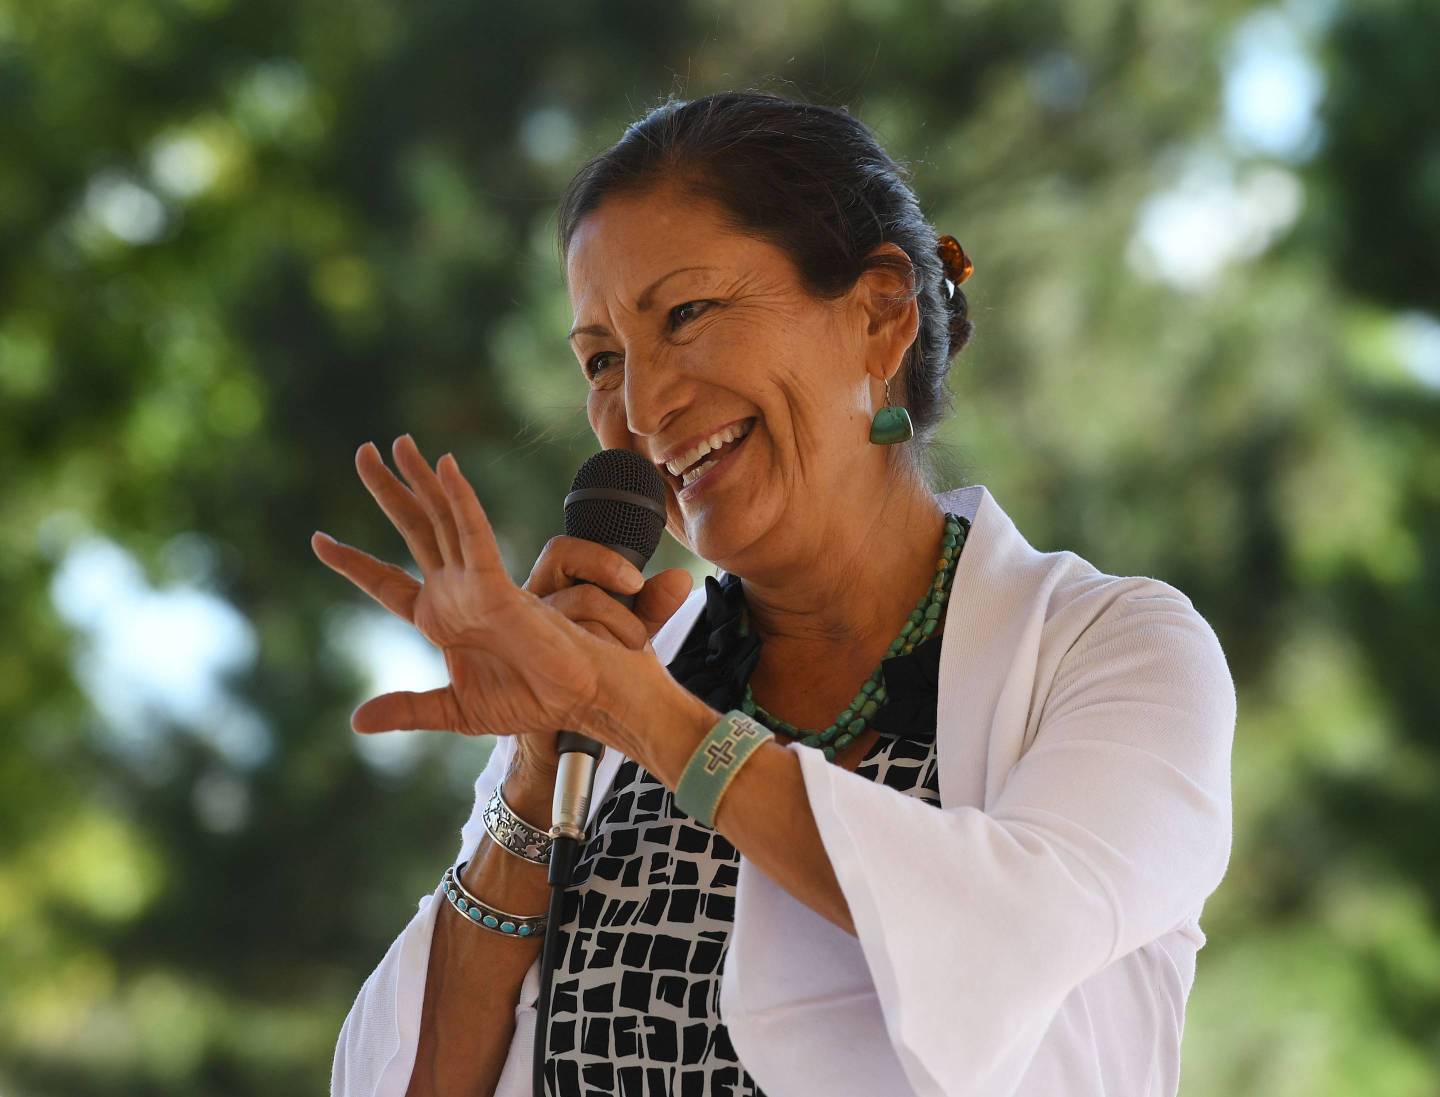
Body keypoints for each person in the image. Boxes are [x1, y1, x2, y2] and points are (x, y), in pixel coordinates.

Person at [315, 90, 1236, 1097]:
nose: (641, 406)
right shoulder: (609, 698)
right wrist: (536, 777)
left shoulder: (1114, 648)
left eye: (687, 314)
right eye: (603, 361)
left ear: (880, 314)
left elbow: (1008, 934)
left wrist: (641, 714)